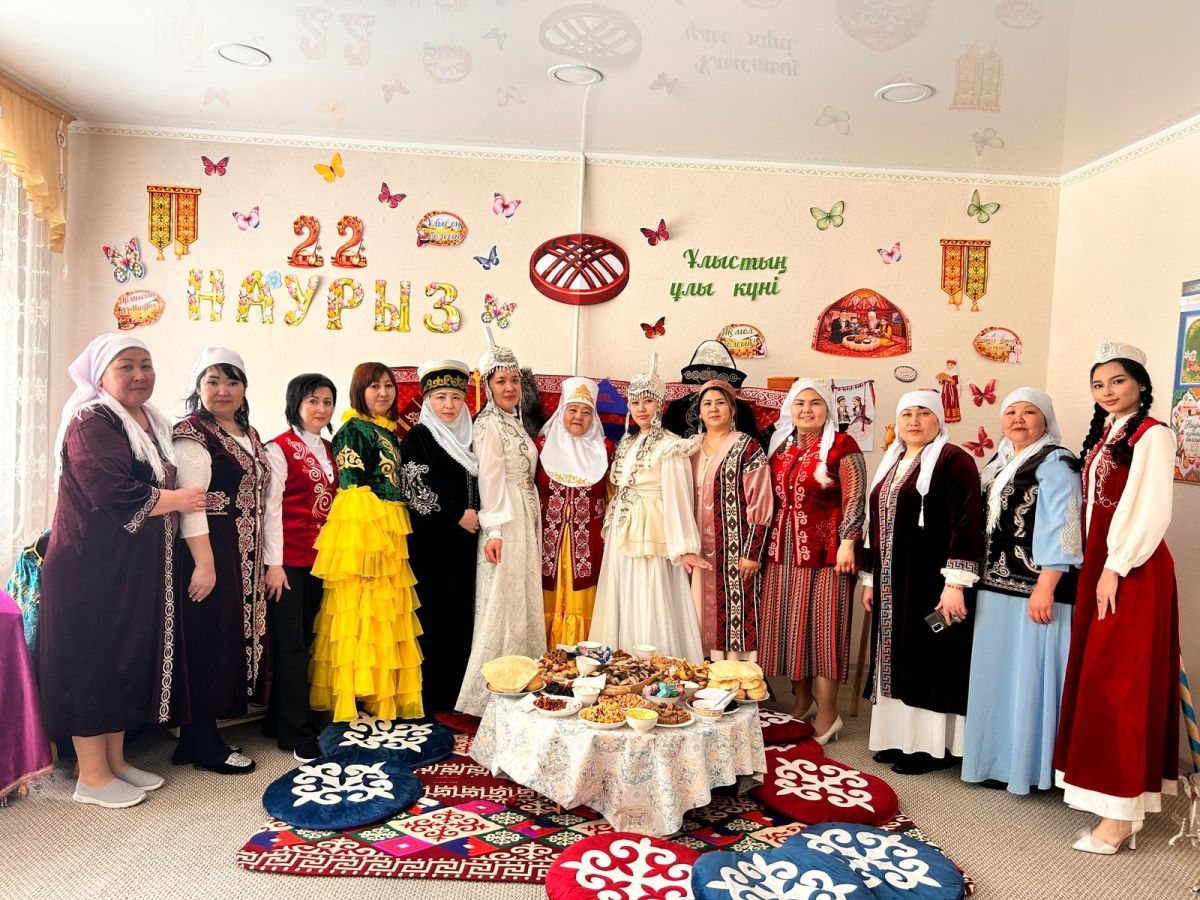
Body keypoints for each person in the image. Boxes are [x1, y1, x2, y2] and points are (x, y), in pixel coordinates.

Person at [39, 335, 203, 808]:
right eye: (125, 366)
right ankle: (91, 776)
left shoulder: (148, 421)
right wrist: (178, 500)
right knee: (94, 663)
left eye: (146, 365)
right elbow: (109, 488)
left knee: (120, 661)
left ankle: (113, 761)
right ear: (101, 375)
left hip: (126, 566)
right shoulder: (92, 420)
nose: (139, 375)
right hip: (90, 567)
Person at [1054, 342, 1179, 854]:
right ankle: (1112, 800)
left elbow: (1151, 509)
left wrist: (1115, 567)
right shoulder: (1109, 434)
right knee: (1100, 680)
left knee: (1121, 685)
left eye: (1118, 381)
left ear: (1141, 385)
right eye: (1098, 384)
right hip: (1101, 569)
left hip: (1132, 571)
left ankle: (1122, 816)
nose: (1107, 391)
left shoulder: (1153, 434)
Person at [962, 388, 1082, 794]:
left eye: (1029, 412)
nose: (1018, 419)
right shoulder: (998, 462)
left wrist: (1046, 586)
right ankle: (994, 762)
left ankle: (1029, 770)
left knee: (1029, 679)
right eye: (1010, 411)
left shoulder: (1057, 462)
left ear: (1046, 420)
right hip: (994, 587)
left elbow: (1064, 526)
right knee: (996, 677)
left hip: (1036, 591)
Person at [860, 390, 982, 775]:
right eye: (906, 414)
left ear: (938, 419)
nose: (914, 421)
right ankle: (899, 738)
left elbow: (967, 523)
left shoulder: (954, 459)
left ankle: (930, 748)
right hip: (893, 585)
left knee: (930, 654)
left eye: (923, 413)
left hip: (935, 585)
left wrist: (956, 583)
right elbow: (874, 527)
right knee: (897, 656)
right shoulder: (893, 461)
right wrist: (870, 579)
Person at [309, 362, 424, 722]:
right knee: (364, 613)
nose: (383, 393)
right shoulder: (353, 430)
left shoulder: (388, 431)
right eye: (374, 386)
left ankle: (378, 696)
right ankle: (356, 697)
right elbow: (352, 492)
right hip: (368, 532)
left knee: (385, 616)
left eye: (388, 386)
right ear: (359, 391)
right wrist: (365, 554)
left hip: (392, 530)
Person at [173, 347, 269, 774]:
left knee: (223, 636)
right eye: (212, 381)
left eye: (232, 381)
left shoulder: (248, 432)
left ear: (244, 387)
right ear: (198, 387)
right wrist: (205, 563)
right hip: (209, 547)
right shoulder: (192, 433)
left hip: (242, 551)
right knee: (208, 639)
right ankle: (206, 744)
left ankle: (192, 739)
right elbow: (192, 504)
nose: (223, 390)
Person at [758, 380, 865, 745]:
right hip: (782, 554)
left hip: (827, 554)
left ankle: (828, 713)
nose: (807, 409)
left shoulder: (843, 445)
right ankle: (802, 702)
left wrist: (849, 540)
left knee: (824, 632)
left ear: (827, 408)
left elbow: (854, 498)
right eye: (800, 403)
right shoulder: (781, 446)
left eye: (815, 403)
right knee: (792, 629)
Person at [589, 353, 709, 660]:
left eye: (648, 401)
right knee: (622, 595)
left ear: (661, 404)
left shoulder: (671, 446)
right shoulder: (626, 444)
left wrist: (684, 546)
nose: (641, 408)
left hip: (651, 533)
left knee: (647, 596)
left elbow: (680, 497)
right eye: (635, 402)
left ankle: (650, 665)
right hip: (622, 529)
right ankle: (620, 664)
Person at [456, 330, 544, 715]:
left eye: (513, 380)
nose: (509, 388)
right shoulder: (488, 424)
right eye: (500, 381)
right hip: (504, 520)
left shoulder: (514, 421)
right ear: (488, 387)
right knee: (501, 602)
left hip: (523, 515)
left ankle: (522, 680)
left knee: (520, 597)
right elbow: (489, 479)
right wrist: (493, 531)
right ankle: (490, 692)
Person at [263, 373, 338, 762]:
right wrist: (273, 564)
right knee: (290, 645)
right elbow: (271, 509)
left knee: (307, 641)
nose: (321, 409)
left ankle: (279, 720)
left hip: (320, 560)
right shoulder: (278, 448)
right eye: (313, 401)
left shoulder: (329, 448)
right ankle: (296, 733)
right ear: (296, 403)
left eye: (327, 402)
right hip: (288, 561)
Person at [400, 359, 480, 715]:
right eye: (440, 397)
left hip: (467, 545)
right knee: (435, 619)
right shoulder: (420, 437)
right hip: (433, 547)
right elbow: (415, 491)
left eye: (456, 397)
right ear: (427, 400)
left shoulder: (473, 437)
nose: (449, 405)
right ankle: (433, 701)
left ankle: (458, 698)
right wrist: (456, 515)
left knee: (463, 618)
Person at [689, 380, 773, 661]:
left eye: (720, 403)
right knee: (695, 612)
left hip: (734, 549)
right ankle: (699, 672)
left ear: (732, 409)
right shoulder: (689, 447)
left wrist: (752, 553)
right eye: (707, 404)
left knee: (735, 612)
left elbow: (761, 502)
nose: (713, 409)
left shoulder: (748, 447)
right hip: (695, 549)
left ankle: (736, 677)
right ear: (699, 412)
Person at [535, 376, 615, 647]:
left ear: (594, 417)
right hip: (547, 542)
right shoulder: (542, 446)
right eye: (572, 409)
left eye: (586, 411)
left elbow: (613, 497)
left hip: (589, 545)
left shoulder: (606, 450)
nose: (578, 416)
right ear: (562, 411)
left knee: (584, 603)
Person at [661, 339, 764, 446]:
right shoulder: (678, 407)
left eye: (720, 402)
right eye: (704, 383)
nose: (713, 409)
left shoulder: (742, 409)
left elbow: (753, 445)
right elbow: (668, 445)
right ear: (696, 385)